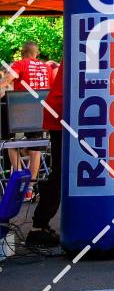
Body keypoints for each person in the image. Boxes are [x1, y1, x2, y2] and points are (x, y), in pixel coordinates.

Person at [1, 41, 53, 201]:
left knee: (9, 142)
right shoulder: (46, 67)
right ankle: (30, 188)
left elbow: (7, 79)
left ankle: (18, 178)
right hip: (39, 113)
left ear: (23, 53)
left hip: (19, 113)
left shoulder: (20, 64)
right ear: (37, 53)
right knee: (35, 147)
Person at [25, 61, 64, 247]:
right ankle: (39, 226)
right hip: (64, 111)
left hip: (62, 110)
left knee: (60, 172)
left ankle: (40, 225)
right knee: (61, 172)